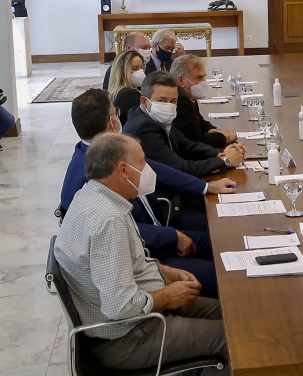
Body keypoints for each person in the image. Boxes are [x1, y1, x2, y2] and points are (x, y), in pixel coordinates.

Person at [55, 133, 244, 376]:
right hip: (124, 336)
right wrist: (168, 297)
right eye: (142, 163)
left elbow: (129, 263)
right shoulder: (108, 221)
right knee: (235, 338)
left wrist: (166, 272)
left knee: (233, 314)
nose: (149, 170)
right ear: (123, 169)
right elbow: (120, 306)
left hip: (135, 314)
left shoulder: (94, 197)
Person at [61, 89, 232, 298]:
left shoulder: (105, 150)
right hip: (148, 255)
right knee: (225, 274)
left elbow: (159, 170)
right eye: (116, 112)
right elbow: (115, 230)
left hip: (160, 229)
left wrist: (206, 187)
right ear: (111, 121)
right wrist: (172, 237)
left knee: (224, 238)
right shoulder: (91, 175)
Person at [123, 72, 246, 178]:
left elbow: (186, 145)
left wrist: (219, 154)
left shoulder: (155, 117)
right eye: (162, 100)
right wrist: (225, 161)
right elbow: (178, 169)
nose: (168, 106)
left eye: (173, 101)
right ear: (144, 101)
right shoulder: (143, 128)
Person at [170, 54, 237, 149]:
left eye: (204, 77)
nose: (204, 82)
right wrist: (224, 137)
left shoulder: (189, 94)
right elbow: (197, 140)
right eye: (199, 78)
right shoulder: (180, 101)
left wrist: (215, 130)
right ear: (181, 81)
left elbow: (199, 121)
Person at [108, 50, 144, 126]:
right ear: (122, 72)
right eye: (135, 68)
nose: (140, 72)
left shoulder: (121, 91)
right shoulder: (127, 94)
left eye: (141, 68)